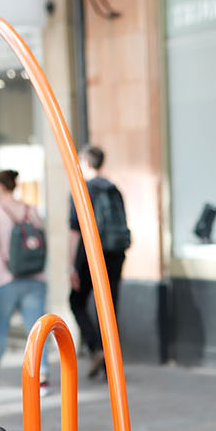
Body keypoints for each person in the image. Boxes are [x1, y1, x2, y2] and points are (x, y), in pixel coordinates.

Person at [0, 169, 49, 391]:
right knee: (36, 329)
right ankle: (42, 377)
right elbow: (42, 242)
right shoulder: (31, 210)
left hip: (4, 280)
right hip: (35, 278)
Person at [68, 145, 129, 381]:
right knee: (109, 309)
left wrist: (72, 265)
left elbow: (75, 230)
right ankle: (111, 364)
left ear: (84, 163)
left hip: (91, 254)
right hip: (115, 253)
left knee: (76, 300)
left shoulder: (83, 189)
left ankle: (96, 348)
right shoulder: (114, 189)